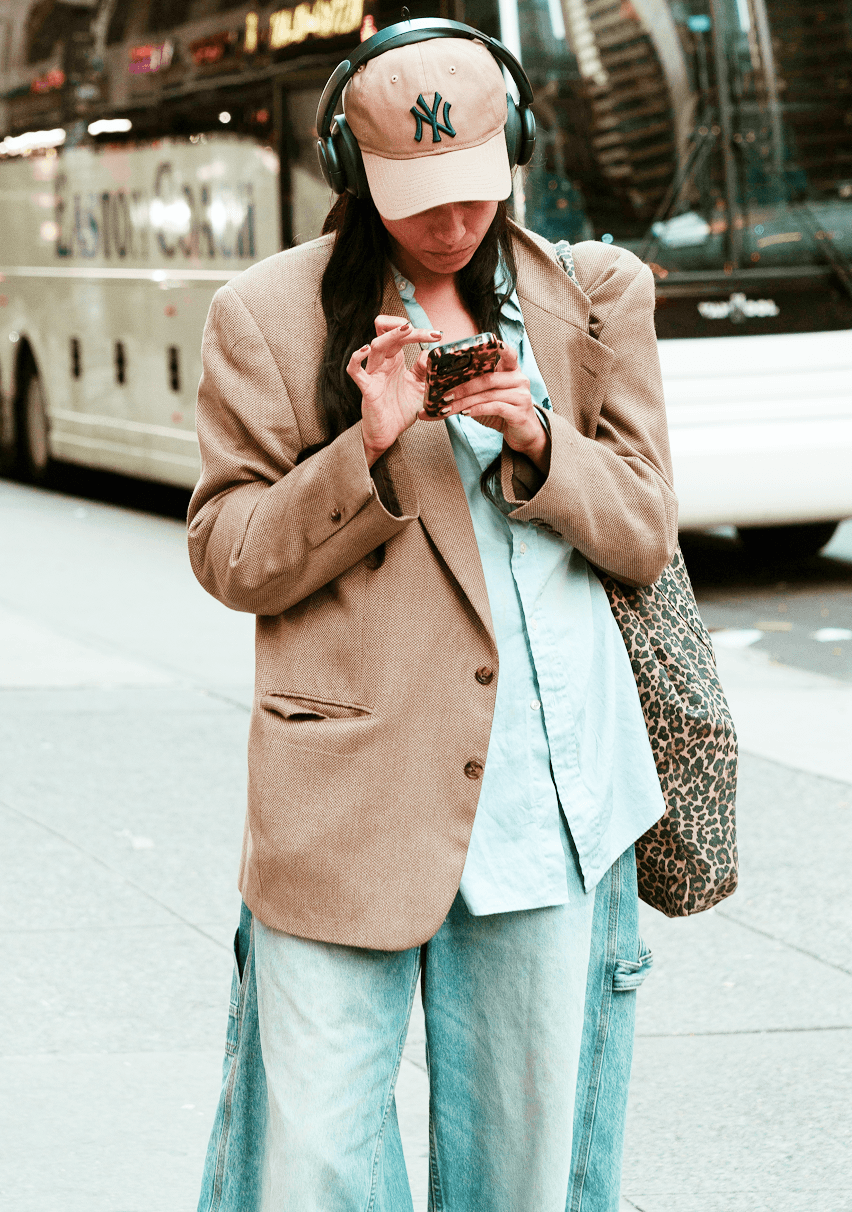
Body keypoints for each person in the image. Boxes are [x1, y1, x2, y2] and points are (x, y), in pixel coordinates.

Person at [188, 20, 677, 1212]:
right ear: (352, 174)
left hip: (547, 794)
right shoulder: (269, 315)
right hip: (344, 802)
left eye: (472, 192)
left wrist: (538, 439)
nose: (453, 224)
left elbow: (645, 532)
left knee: (527, 1174)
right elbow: (229, 553)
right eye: (419, 199)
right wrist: (365, 448)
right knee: (309, 1165)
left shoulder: (595, 298)